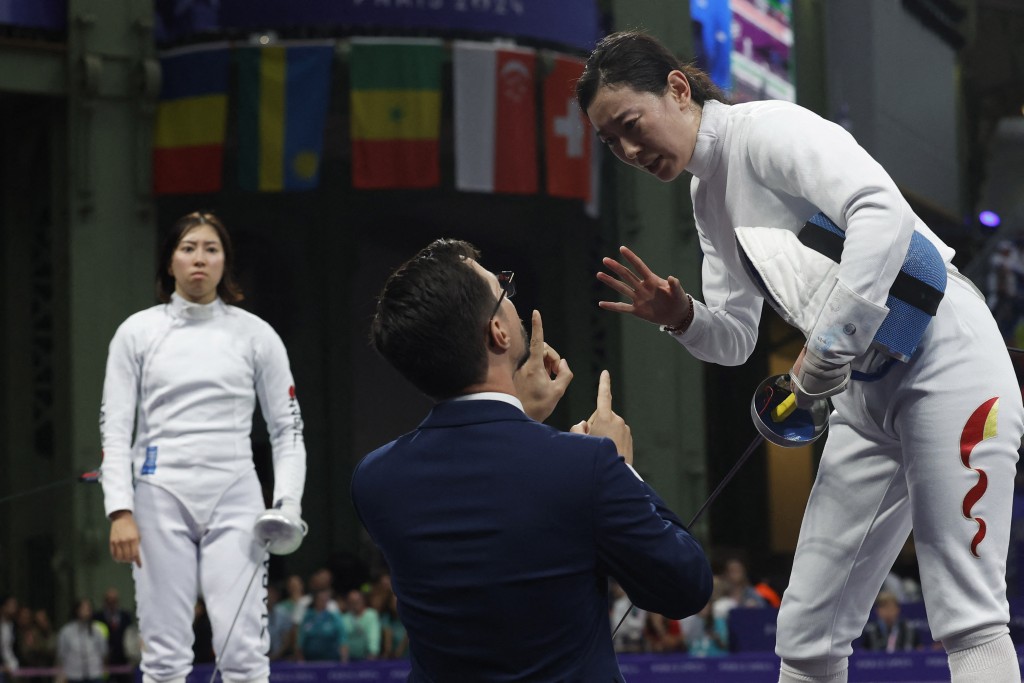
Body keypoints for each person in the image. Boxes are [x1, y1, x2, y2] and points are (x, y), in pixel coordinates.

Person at [578, 30, 1024, 683]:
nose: (627, 149)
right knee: (807, 632)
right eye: (610, 142)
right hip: (865, 396)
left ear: (676, 88)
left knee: (968, 614)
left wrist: (825, 352)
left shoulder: (766, 130)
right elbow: (733, 337)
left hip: (946, 357)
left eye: (629, 124)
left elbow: (882, 213)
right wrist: (682, 318)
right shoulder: (709, 199)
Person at [352, 238, 713, 681]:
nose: (511, 298)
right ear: (498, 332)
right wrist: (620, 464)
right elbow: (684, 587)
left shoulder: (375, 480)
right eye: (503, 289)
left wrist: (517, 415)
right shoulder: (588, 464)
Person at [98, 211, 308, 683]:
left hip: (235, 496)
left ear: (224, 263)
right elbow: (114, 428)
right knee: (165, 655)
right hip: (158, 497)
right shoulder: (137, 333)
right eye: (188, 248)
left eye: (211, 249)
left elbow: (287, 430)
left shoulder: (255, 335)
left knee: (243, 653)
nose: (199, 259)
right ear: (170, 262)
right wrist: (120, 511)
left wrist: (287, 505)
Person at [55, 599, 107, 683]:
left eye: (89, 608)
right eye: (84, 608)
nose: (87, 611)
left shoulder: (97, 631)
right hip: (74, 676)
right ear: (77, 610)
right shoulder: (66, 631)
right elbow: (62, 655)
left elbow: (103, 653)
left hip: (94, 674)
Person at [296, 587, 348, 663]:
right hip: (310, 661)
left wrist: (344, 660)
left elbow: (342, 639)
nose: (323, 601)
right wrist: (300, 660)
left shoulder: (333, 617)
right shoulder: (308, 617)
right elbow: (300, 640)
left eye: (325, 599)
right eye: (321, 599)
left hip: (331, 660)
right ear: (315, 600)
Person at [93, 588, 132, 682]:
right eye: (109, 600)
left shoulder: (126, 616)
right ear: (105, 601)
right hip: (103, 660)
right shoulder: (97, 617)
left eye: (114, 600)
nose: (111, 603)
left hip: (123, 659)